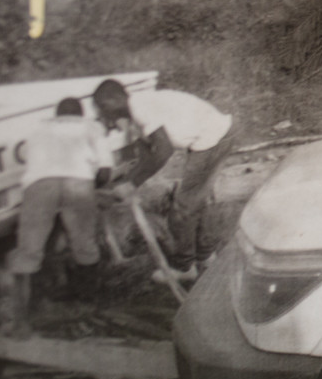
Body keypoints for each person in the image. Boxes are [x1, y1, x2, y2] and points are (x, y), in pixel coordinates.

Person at [92, 80, 234, 276]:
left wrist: (131, 183)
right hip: (210, 135)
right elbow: (148, 155)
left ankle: (184, 267)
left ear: (116, 99)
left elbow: (163, 151)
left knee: (183, 206)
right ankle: (205, 258)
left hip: (213, 137)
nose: (104, 113)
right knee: (194, 202)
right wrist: (130, 181)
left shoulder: (140, 108)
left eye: (104, 107)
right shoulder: (136, 114)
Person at [3, 97, 113, 335]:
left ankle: (21, 323)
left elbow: (28, 159)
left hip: (39, 184)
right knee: (85, 245)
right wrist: (91, 191)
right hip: (78, 182)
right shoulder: (92, 127)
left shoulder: (38, 128)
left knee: (28, 250)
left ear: (56, 115)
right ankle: (87, 305)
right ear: (81, 114)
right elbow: (105, 171)